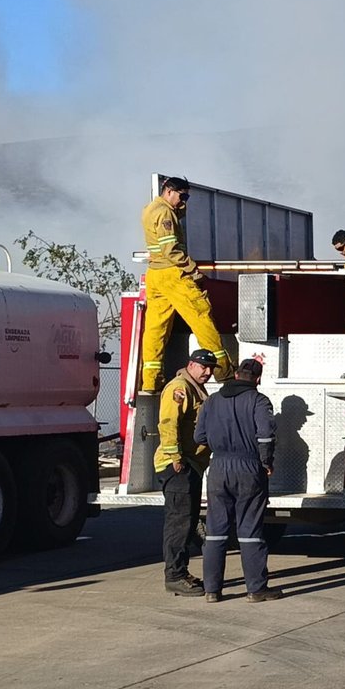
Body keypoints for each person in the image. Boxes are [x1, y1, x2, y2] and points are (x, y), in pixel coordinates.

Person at [195, 358, 283, 603]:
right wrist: (266, 462)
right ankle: (256, 589)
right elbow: (265, 436)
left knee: (214, 532)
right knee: (250, 530)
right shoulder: (259, 401)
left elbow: (199, 435)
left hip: (218, 468)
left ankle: (212, 590)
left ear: (235, 375)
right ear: (257, 379)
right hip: (248, 467)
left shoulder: (212, 401)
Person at [139, 177, 231, 392]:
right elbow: (171, 249)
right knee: (201, 317)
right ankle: (223, 371)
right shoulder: (164, 213)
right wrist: (192, 270)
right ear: (169, 191)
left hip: (155, 274)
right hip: (173, 274)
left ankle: (151, 381)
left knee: (155, 329)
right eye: (183, 196)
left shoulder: (150, 209)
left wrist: (181, 208)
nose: (184, 201)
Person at [157, 349, 216, 596]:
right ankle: (175, 576)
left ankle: (181, 572)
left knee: (188, 521)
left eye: (211, 368)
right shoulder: (179, 388)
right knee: (179, 523)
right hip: (179, 465)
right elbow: (169, 424)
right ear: (191, 364)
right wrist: (176, 458)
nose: (208, 372)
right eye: (203, 367)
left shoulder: (195, 389)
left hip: (191, 464)